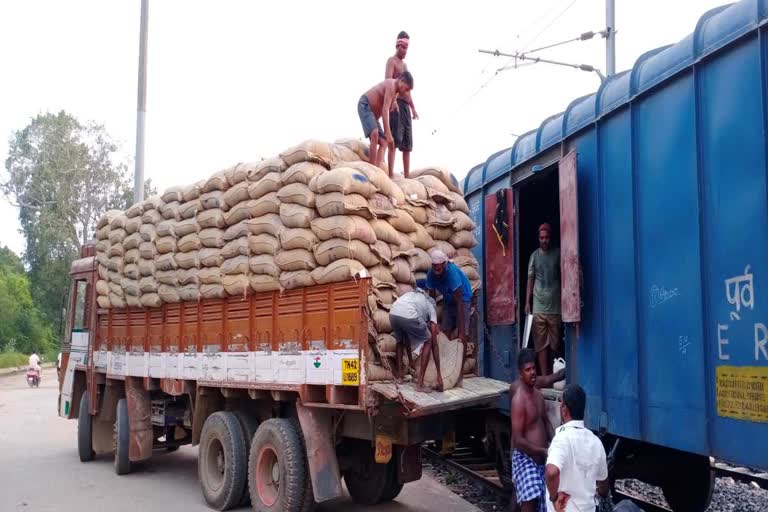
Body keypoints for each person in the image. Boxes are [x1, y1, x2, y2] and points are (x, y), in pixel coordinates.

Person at [511, 348, 554, 512]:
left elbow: (546, 422)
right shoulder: (519, 400)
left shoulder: (538, 395)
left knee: (546, 501)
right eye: (528, 370)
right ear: (521, 373)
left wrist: (555, 443)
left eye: (534, 368)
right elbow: (518, 440)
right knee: (531, 498)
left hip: (541, 459)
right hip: (525, 458)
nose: (533, 373)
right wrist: (542, 450)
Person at [425, 249, 473, 382]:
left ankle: (460, 373)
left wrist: (462, 330)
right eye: (434, 267)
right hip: (448, 299)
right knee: (444, 331)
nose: (436, 270)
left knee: (462, 336)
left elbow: (459, 302)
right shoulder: (431, 274)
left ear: (445, 265)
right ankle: (446, 368)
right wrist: (432, 321)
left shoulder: (451, 273)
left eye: (439, 267)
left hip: (462, 299)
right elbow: (432, 298)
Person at [357, 72, 414, 173]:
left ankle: (377, 171)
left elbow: (389, 106)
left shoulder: (396, 93)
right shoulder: (391, 85)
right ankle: (370, 169)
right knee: (374, 133)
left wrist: (394, 105)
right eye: (406, 89)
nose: (406, 93)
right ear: (401, 81)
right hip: (365, 105)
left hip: (373, 115)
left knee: (384, 142)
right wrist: (387, 132)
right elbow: (384, 110)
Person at [388, 285, 442, 392]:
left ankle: (399, 377)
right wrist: (439, 374)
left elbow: (406, 341)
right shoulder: (431, 307)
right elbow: (434, 343)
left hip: (393, 312)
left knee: (400, 341)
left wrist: (411, 361)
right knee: (428, 340)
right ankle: (420, 384)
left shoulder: (411, 296)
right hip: (408, 314)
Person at [525, 223, 562, 376]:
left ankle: (555, 377)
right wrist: (527, 301)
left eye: (546, 238)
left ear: (550, 238)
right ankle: (546, 376)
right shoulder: (534, 256)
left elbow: (564, 275)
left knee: (554, 345)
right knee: (541, 346)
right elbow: (530, 280)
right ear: (538, 239)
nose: (544, 240)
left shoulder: (558, 253)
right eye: (541, 238)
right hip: (539, 306)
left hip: (555, 307)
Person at [385, 31, 418, 177]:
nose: (405, 52)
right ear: (398, 46)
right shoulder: (391, 61)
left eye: (407, 49)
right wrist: (392, 101)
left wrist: (413, 108)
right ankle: (391, 173)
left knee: (407, 144)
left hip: (405, 106)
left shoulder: (405, 66)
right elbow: (388, 83)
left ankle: (406, 176)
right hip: (395, 103)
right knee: (394, 140)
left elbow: (408, 90)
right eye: (403, 48)